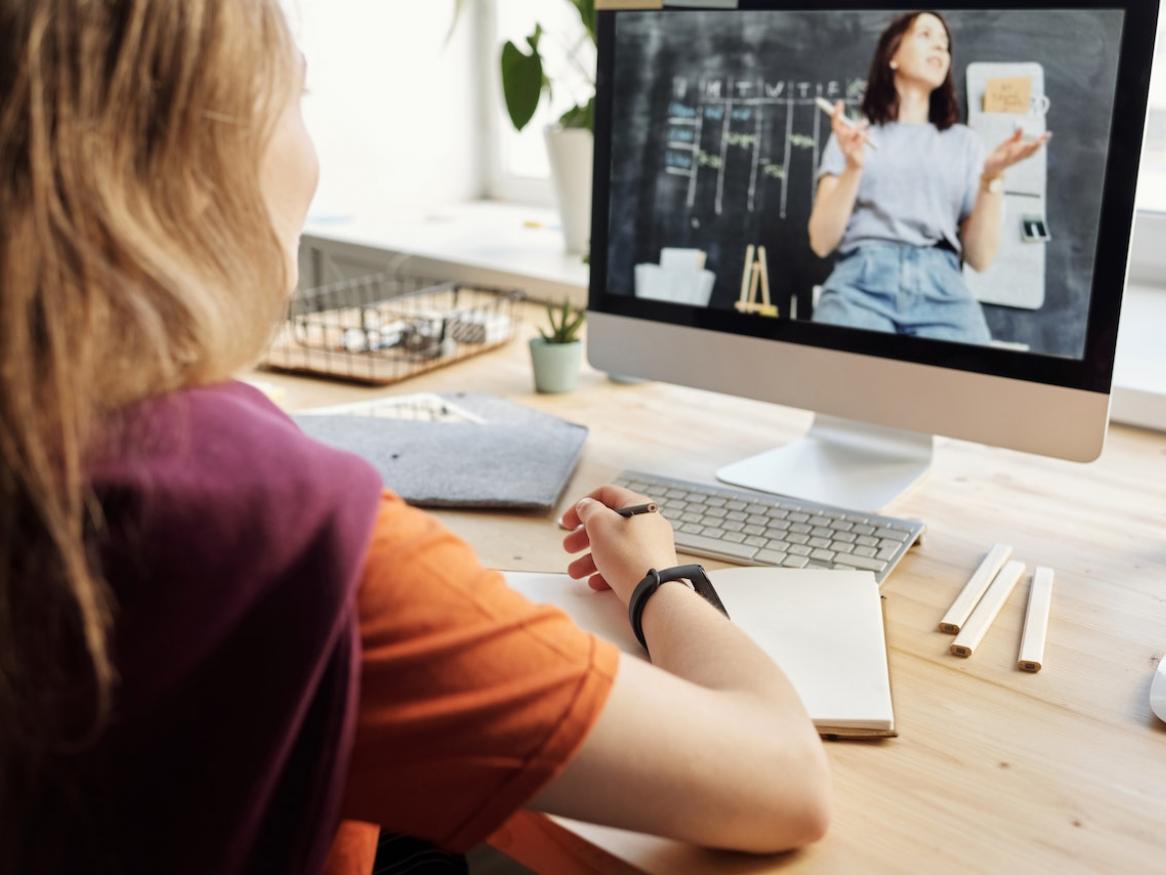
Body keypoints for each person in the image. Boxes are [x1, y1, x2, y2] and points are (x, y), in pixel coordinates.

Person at [0, 2, 831, 872]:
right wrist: (657, 576)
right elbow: (785, 779)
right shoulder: (286, 534)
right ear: (195, 157)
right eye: (298, 98)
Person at [807, 10, 1050, 343]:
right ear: (892, 55)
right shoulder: (853, 135)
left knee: (973, 385)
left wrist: (991, 179)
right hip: (860, 283)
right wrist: (854, 166)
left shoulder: (964, 143)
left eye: (945, 44)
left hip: (942, 288)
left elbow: (979, 259)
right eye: (925, 35)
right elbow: (821, 241)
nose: (939, 47)